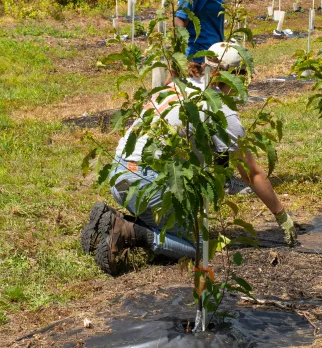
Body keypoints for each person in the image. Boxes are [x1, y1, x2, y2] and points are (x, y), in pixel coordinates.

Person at [81, 44, 299, 275]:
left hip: (119, 174)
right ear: (236, 77)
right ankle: (128, 230)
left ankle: (114, 220)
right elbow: (252, 173)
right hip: (147, 184)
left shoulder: (178, 85)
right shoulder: (220, 110)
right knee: (199, 249)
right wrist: (281, 215)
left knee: (182, 225)